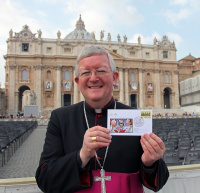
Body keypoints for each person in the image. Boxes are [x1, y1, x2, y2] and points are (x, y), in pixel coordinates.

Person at [35, 46, 169, 193]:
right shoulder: (60, 118)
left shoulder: (136, 118)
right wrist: (82, 155)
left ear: (115, 77)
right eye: (86, 72)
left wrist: (150, 162)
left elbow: (158, 183)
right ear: (78, 81)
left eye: (101, 71)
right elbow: (44, 179)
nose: (93, 78)